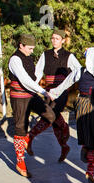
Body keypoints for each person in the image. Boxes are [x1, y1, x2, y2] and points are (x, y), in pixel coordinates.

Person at [49, 47, 94, 183]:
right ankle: (90, 168)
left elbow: (64, 84)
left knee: (91, 137)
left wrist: (53, 93)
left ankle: (87, 154)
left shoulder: (83, 72)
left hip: (86, 105)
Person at [27, 29, 82, 162]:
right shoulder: (45, 54)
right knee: (51, 116)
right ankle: (64, 143)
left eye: (57, 38)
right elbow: (38, 72)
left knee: (49, 115)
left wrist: (68, 83)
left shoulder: (68, 56)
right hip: (48, 91)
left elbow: (79, 71)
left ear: (63, 40)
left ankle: (30, 137)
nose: (54, 41)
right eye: (52, 38)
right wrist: (33, 87)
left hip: (61, 92)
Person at [8, 34, 56, 177]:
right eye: (29, 48)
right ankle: (20, 161)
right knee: (20, 127)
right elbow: (24, 80)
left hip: (31, 95)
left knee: (50, 116)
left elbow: (34, 76)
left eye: (33, 48)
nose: (31, 51)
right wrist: (42, 91)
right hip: (19, 96)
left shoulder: (28, 57)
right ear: (21, 45)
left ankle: (29, 138)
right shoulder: (15, 59)